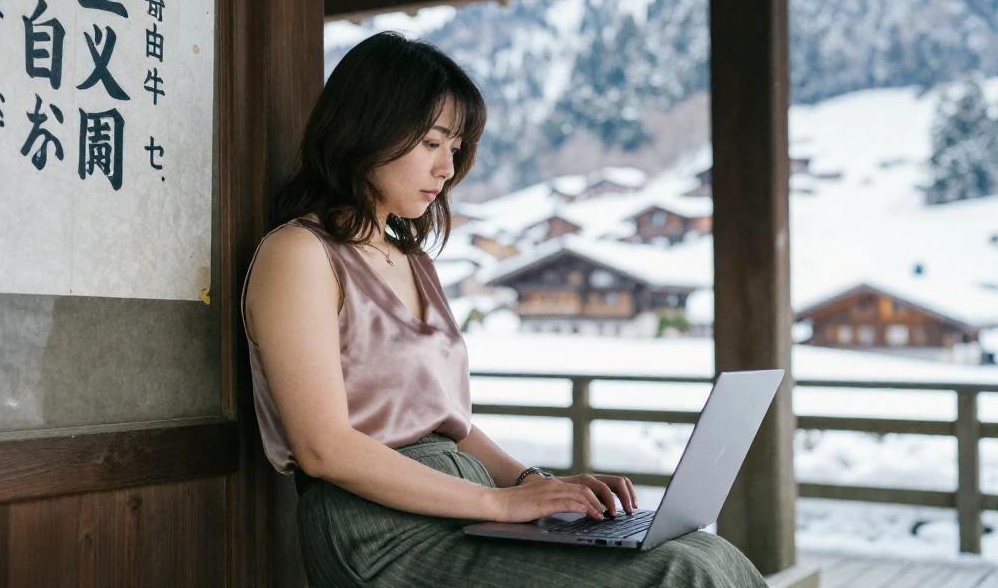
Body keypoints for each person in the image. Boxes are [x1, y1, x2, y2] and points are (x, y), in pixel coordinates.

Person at [241, 31, 768, 588]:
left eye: (456, 147)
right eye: (432, 143)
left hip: (460, 504)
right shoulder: (298, 253)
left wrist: (537, 484)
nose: (447, 168)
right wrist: (499, 505)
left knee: (706, 552)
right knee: (679, 572)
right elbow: (323, 449)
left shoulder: (413, 260)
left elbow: (453, 430)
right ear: (368, 127)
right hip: (376, 532)